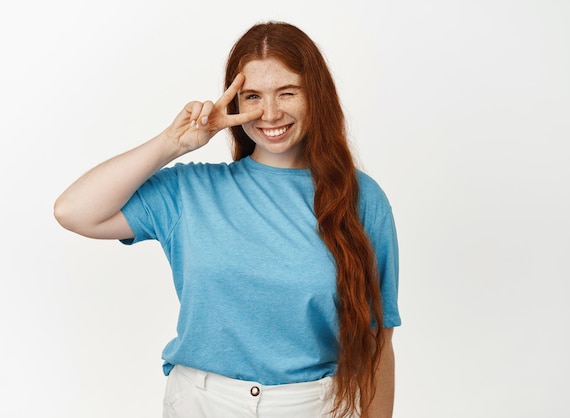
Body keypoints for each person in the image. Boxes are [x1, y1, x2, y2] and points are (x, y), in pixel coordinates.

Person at [54, 21, 401, 418]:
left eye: (288, 92)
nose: (270, 113)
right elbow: (73, 211)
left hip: (312, 406)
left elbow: (377, 343)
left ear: (316, 96)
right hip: (200, 403)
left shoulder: (359, 198)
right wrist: (172, 143)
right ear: (234, 103)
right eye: (253, 96)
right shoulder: (190, 191)